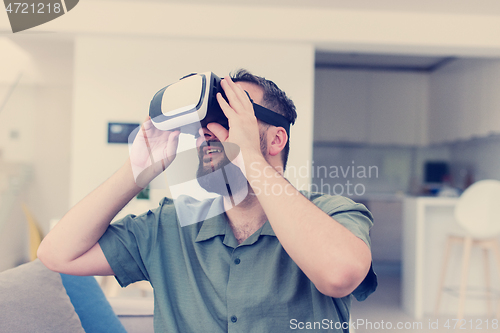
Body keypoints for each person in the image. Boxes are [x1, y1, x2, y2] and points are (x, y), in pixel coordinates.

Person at [38, 69, 377, 332]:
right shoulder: (170, 225)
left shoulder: (332, 214)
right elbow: (56, 254)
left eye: (232, 115)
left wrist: (248, 157)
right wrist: (136, 170)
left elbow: (339, 274)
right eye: (204, 123)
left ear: (277, 138)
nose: (208, 132)